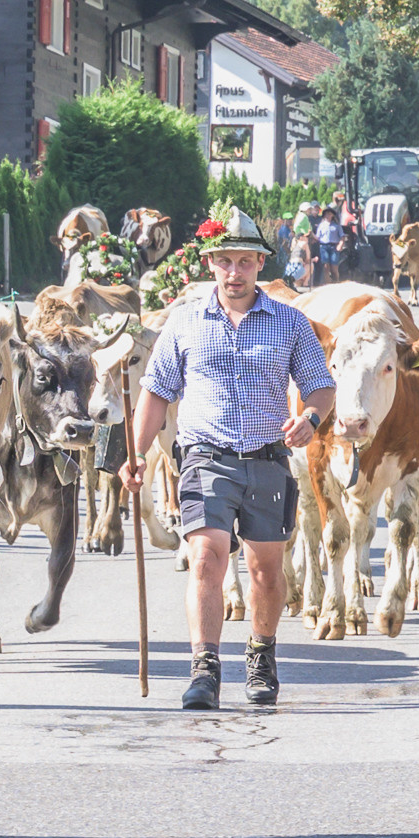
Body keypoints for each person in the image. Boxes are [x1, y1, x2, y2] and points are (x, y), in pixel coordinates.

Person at [119, 208, 335, 710]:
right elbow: (155, 393)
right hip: (205, 457)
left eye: (244, 261)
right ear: (211, 264)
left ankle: (261, 657)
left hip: (266, 460)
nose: (234, 272)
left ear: (260, 264)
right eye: (225, 262)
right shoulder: (185, 322)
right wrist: (133, 455)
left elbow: (321, 388)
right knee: (207, 557)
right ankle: (205, 669)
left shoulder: (290, 323)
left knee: (264, 570)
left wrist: (310, 419)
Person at [313, 205, 342, 287]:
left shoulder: (336, 226)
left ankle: (336, 282)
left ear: (332, 215)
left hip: (334, 247)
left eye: (329, 214)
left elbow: (342, 236)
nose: (328, 215)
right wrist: (311, 235)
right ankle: (328, 285)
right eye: (326, 214)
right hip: (324, 246)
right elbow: (318, 237)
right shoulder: (321, 225)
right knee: (326, 266)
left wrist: (340, 244)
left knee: (334, 268)